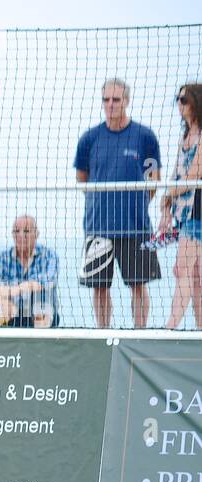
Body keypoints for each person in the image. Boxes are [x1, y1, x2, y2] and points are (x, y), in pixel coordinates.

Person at [74, 78, 161, 329]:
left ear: (127, 101)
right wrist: (102, 203)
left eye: (116, 99)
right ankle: (103, 334)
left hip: (135, 226)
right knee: (99, 288)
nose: (110, 104)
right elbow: (82, 179)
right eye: (106, 100)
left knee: (138, 285)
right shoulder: (89, 139)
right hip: (98, 227)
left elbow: (154, 179)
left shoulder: (144, 137)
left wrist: (135, 203)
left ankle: (140, 335)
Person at [160, 83, 202, 330]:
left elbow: (192, 177)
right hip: (186, 211)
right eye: (177, 98)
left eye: (184, 99)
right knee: (195, 276)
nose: (179, 104)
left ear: (196, 102)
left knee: (182, 269)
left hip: (198, 210)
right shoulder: (186, 135)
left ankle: (170, 328)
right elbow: (177, 175)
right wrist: (166, 207)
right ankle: (199, 330)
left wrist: (168, 194)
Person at [0, 216, 60, 328]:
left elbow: (45, 281)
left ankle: (42, 335)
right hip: (10, 313)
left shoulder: (49, 256)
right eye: (17, 231)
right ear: (13, 234)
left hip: (35, 313)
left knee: (42, 293)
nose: (21, 235)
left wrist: (12, 290)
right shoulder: (2, 257)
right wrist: (2, 300)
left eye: (26, 231)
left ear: (36, 234)